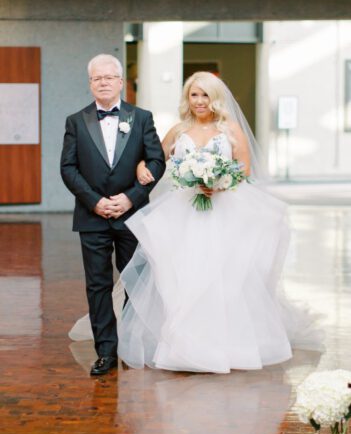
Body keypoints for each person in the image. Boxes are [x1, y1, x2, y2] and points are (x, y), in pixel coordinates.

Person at [115, 71, 323, 373]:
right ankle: (183, 347)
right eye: (193, 95)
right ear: (187, 98)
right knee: (183, 276)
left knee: (223, 278)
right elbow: (154, 159)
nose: (199, 101)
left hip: (223, 212)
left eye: (205, 95)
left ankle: (226, 348)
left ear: (215, 98)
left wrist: (220, 182)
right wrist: (140, 166)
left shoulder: (230, 129)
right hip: (183, 213)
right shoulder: (178, 130)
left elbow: (244, 169)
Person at [60, 54, 166, 376]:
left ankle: (133, 347)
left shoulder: (142, 117)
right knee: (98, 285)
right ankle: (106, 351)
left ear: (121, 82)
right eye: (97, 78)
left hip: (131, 215)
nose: (103, 82)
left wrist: (131, 198)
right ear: (90, 83)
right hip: (92, 217)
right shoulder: (76, 121)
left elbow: (157, 161)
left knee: (135, 282)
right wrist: (94, 202)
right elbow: (68, 168)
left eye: (109, 77)